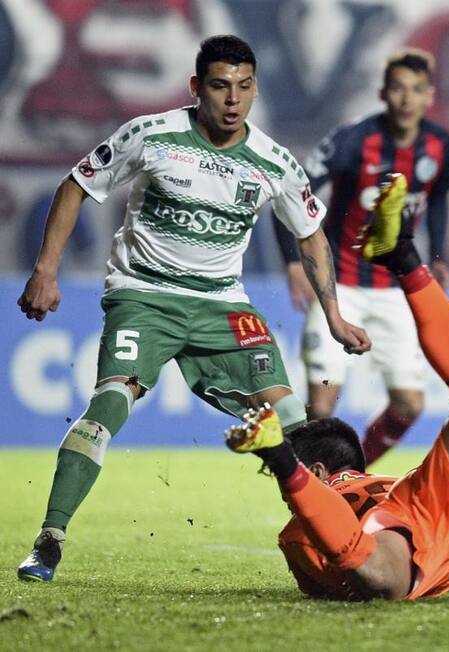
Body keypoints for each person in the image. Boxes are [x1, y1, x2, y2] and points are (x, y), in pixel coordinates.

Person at [16, 35, 370, 583]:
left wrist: (335, 317)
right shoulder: (151, 134)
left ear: (255, 90)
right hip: (144, 296)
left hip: (223, 305)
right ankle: (49, 540)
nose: (233, 99)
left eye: (245, 87)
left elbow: (312, 237)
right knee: (110, 403)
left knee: (296, 422)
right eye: (221, 86)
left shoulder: (274, 162)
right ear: (196, 88)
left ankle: (344, 544)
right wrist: (45, 270)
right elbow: (75, 186)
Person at [228, 173, 449, 600]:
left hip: (394, 534)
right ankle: (404, 258)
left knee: (382, 578)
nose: (282, 495)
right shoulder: (380, 482)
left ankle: (281, 453)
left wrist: (289, 472)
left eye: (278, 477)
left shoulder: (300, 530)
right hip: (423, 498)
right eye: (279, 474)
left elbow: (328, 582)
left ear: (321, 473)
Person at [272, 48, 449, 466]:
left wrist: (440, 253)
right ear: (383, 93)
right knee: (321, 408)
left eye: (416, 90)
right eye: (398, 89)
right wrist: (292, 263)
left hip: (395, 293)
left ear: (429, 96)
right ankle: (309, 491)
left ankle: (347, 474)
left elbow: (440, 198)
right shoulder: (352, 140)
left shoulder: (440, 147)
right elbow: (289, 195)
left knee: (409, 405)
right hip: (340, 289)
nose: (406, 99)